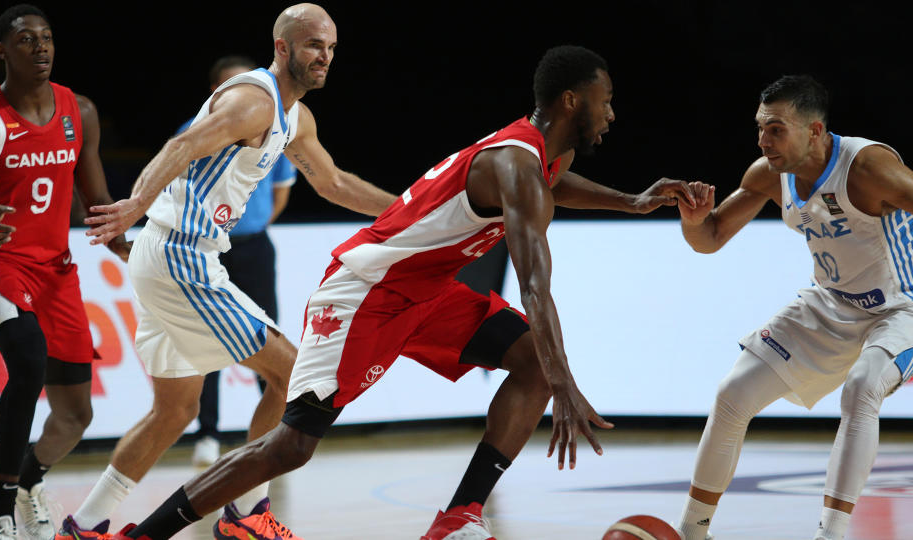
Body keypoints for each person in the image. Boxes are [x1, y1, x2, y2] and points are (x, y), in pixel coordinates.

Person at [107, 45, 698, 540]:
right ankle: (144, 535)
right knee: (289, 447)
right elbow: (536, 286)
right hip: (367, 291)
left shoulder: (542, 155)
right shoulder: (516, 166)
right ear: (572, 101)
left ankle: (458, 516)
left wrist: (633, 200)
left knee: (530, 363)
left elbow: (556, 182)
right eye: (606, 100)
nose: (613, 112)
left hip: (428, 290)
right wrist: (568, 382)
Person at [55, 4, 396, 539]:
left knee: (175, 410)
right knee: (294, 375)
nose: (324, 57)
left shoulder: (296, 118)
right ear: (282, 47)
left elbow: (333, 183)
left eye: (330, 47)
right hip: (180, 256)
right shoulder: (253, 101)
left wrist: (409, 209)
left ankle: (84, 525)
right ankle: (247, 514)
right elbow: (184, 143)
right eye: (313, 45)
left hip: (172, 254)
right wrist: (134, 203)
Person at [673, 75, 913, 540]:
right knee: (732, 395)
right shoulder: (767, 173)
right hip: (830, 303)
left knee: (862, 389)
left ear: (815, 131)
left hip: (901, 307)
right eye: (761, 128)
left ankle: (832, 534)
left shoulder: (868, 168)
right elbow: (711, 239)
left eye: (776, 129)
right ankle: (691, 531)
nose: (764, 140)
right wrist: (693, 221)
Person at [0, 4, 130, 539]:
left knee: (77, 416)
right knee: (28, 363)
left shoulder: (81, 112)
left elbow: (95, 199)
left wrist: (126, 242)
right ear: (2, 50)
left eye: (47, 38)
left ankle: (29, 485)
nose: (41, 47)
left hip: (56, 269)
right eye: (26, 40)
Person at [176, 55, 298, 467]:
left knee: (270, 339)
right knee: (208, 345)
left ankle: (275, 434)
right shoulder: (191, 133)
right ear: (215, 93)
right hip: (203, 251)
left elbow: (281, 189)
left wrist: (256, 222)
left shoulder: (272, 129)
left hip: (254, 248)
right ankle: (207, 434)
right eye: (233, 86)